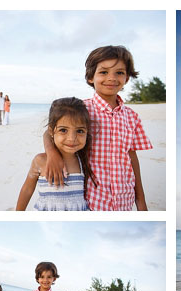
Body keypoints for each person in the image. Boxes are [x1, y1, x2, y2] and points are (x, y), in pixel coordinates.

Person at [43, 45, 153, 210]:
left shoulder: (132, 117)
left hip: (124, 198)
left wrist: (141, 200)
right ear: (90, 77)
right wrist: (52, 155)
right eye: (103, 72)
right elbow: (49, 132)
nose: (111, 78)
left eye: (119, 72)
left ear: (127, 78)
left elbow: (132, 156)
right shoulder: (82, 109)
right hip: (91, 198)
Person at [16, 97, 96, 210]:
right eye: (63, 130)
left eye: (80, 131)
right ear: (51, 131)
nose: (71, 138)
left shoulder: (83, 161)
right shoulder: (40, 160)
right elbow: (27, 189)